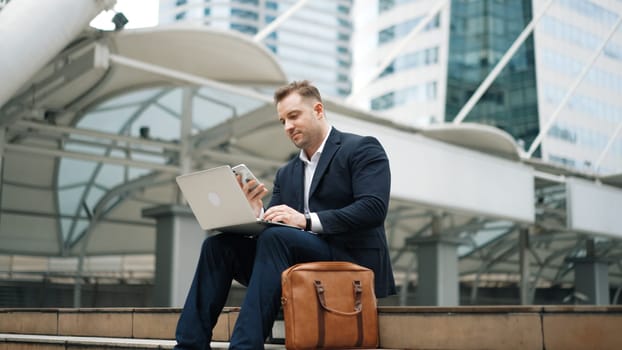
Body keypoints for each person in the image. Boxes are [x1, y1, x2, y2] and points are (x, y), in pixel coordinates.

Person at [174, 80, 395, 349]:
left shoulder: (362, 148)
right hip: (293, 254)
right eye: (282, 121)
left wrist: (305, 220)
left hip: (349, 258)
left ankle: (245, 346)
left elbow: (373, 209)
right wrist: (257, 213)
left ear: (318, 110)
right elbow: (279, 224)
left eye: (293, 116)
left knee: (277, 238)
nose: (287, 126)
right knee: (217, 246)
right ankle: (189, 344)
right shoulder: (287, 172)